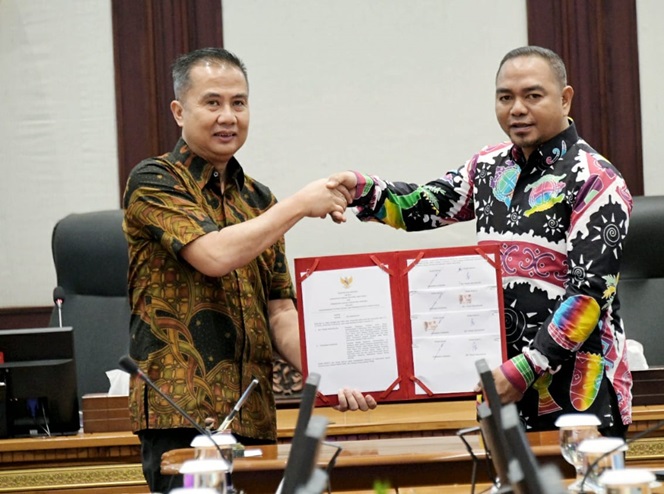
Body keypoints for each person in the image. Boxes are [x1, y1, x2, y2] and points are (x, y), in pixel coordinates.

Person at [329, 46, 632, 437]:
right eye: (505, 97)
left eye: (532, 95)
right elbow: (422, 206)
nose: (517, 109)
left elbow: (588, 297)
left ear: (565, 98)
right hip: (500, 391)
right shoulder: (488, 167)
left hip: (578, 394)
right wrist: (362, 189)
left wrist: (526, 368)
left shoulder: (597, 179)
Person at [122, 47, 376, 493]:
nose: (228, 117)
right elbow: (215, 256)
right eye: (213, 102)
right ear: (179, 112)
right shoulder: (154, 180)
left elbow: (280, 314)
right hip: (183, 416)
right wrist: (300, 205)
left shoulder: (259, 201)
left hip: (253, 415)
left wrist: (331, 373)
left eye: (239, 103)